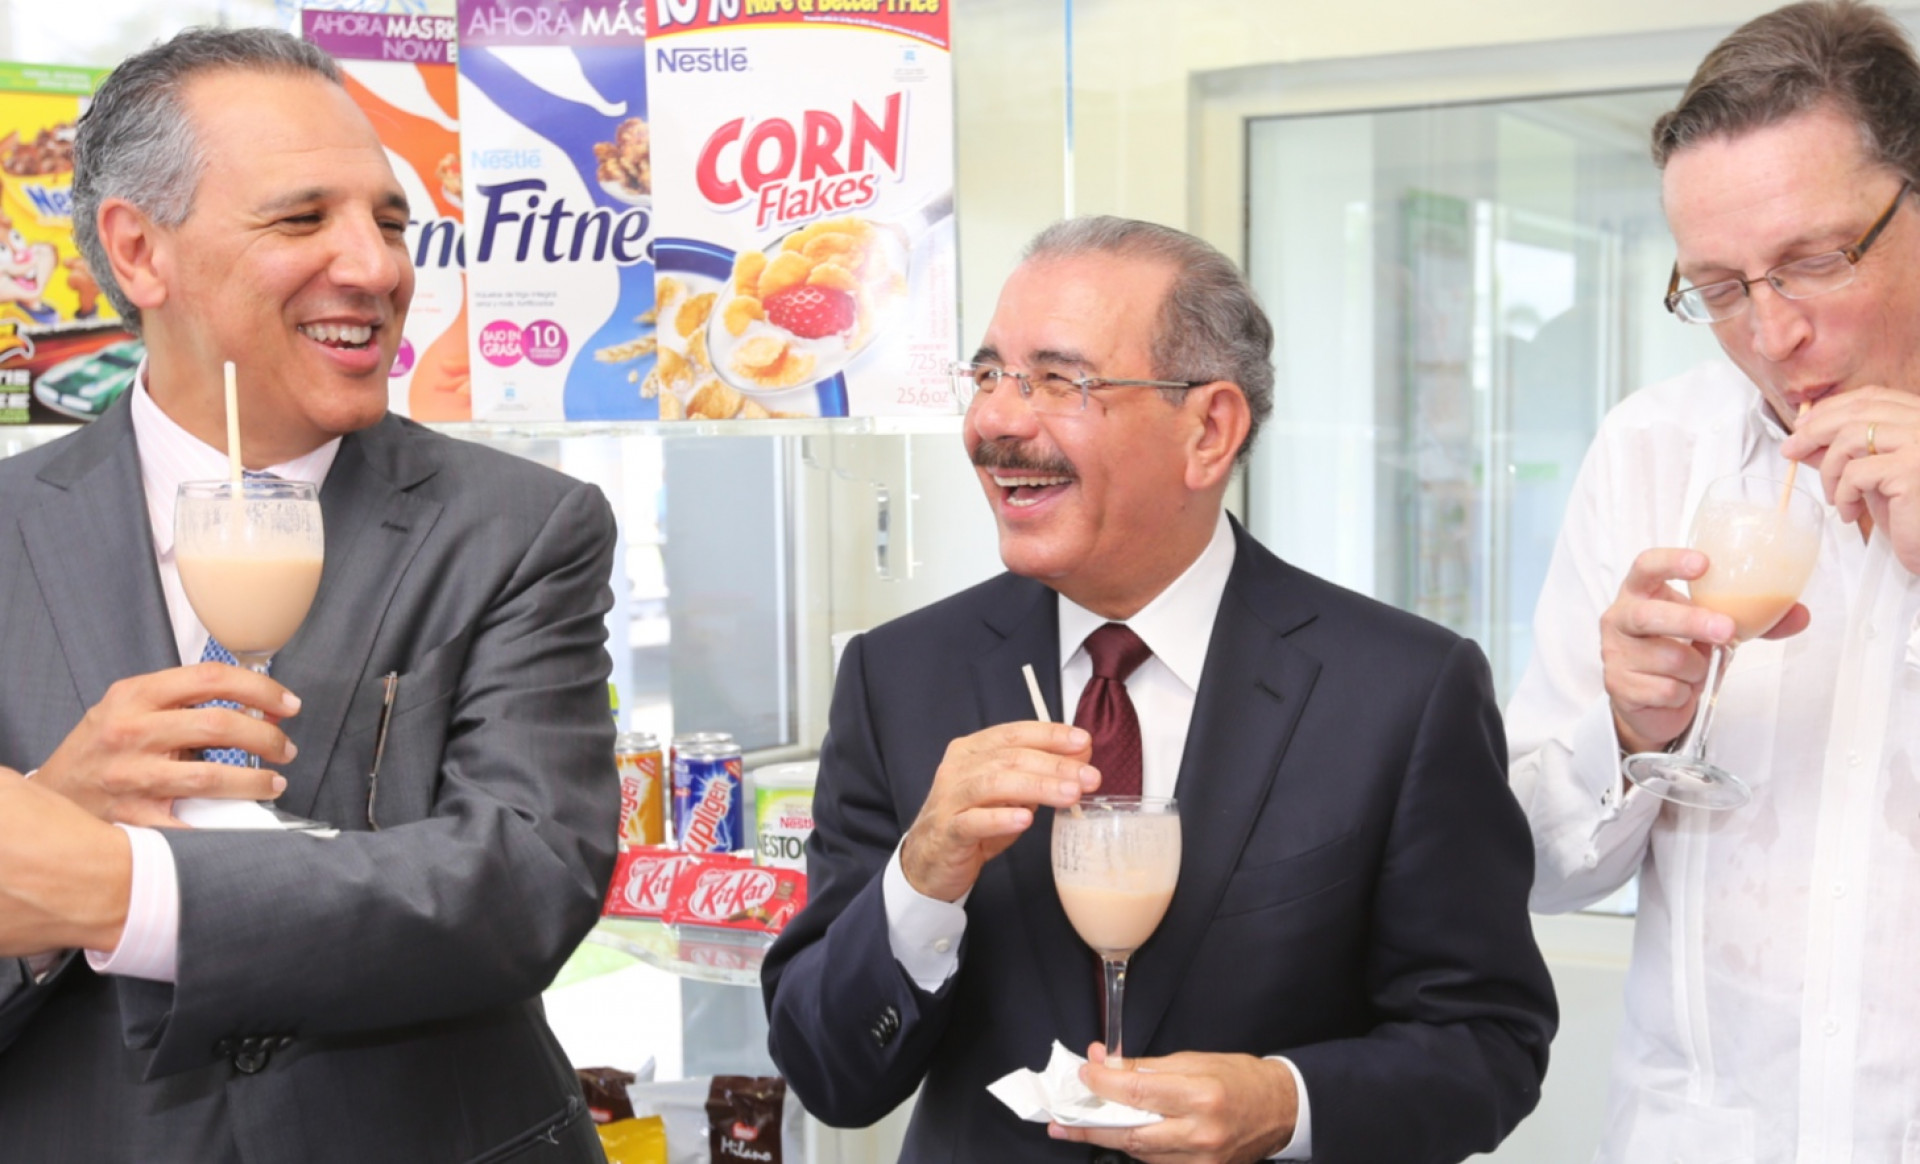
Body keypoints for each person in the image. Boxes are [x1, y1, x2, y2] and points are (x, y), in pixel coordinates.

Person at [762, 216, 1556, 1163]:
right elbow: (829, 1074)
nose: (997, 421)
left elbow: (1487, 1045)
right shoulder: (898, 676)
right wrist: (920, 880)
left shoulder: (1403, 691)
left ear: (1209, 430)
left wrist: (1286, 1102)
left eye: (1059, 380)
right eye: (988, 375)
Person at [0, 28, 619, 1162]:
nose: (376, 269)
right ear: (139, 252)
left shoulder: (522, 527)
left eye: (390, 222)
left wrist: (126, 889)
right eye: (301, 219)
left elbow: (526, 879)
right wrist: (47, 822)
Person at [1506, 2, 1920, 1159]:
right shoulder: (1651, 451)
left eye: (1814, 261)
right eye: (1722, 289)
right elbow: (1537, 864)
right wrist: (1630, 729)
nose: (1772, 336)